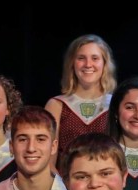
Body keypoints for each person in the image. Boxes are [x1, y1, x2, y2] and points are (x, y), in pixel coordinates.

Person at [45, 34, 117, 166]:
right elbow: (49, 164)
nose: (88, 64)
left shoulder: (115, 104)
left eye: (95, 58)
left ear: (105, 63)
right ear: (72, 63)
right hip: (65, 184)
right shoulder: (56, 105)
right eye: (81, 58)